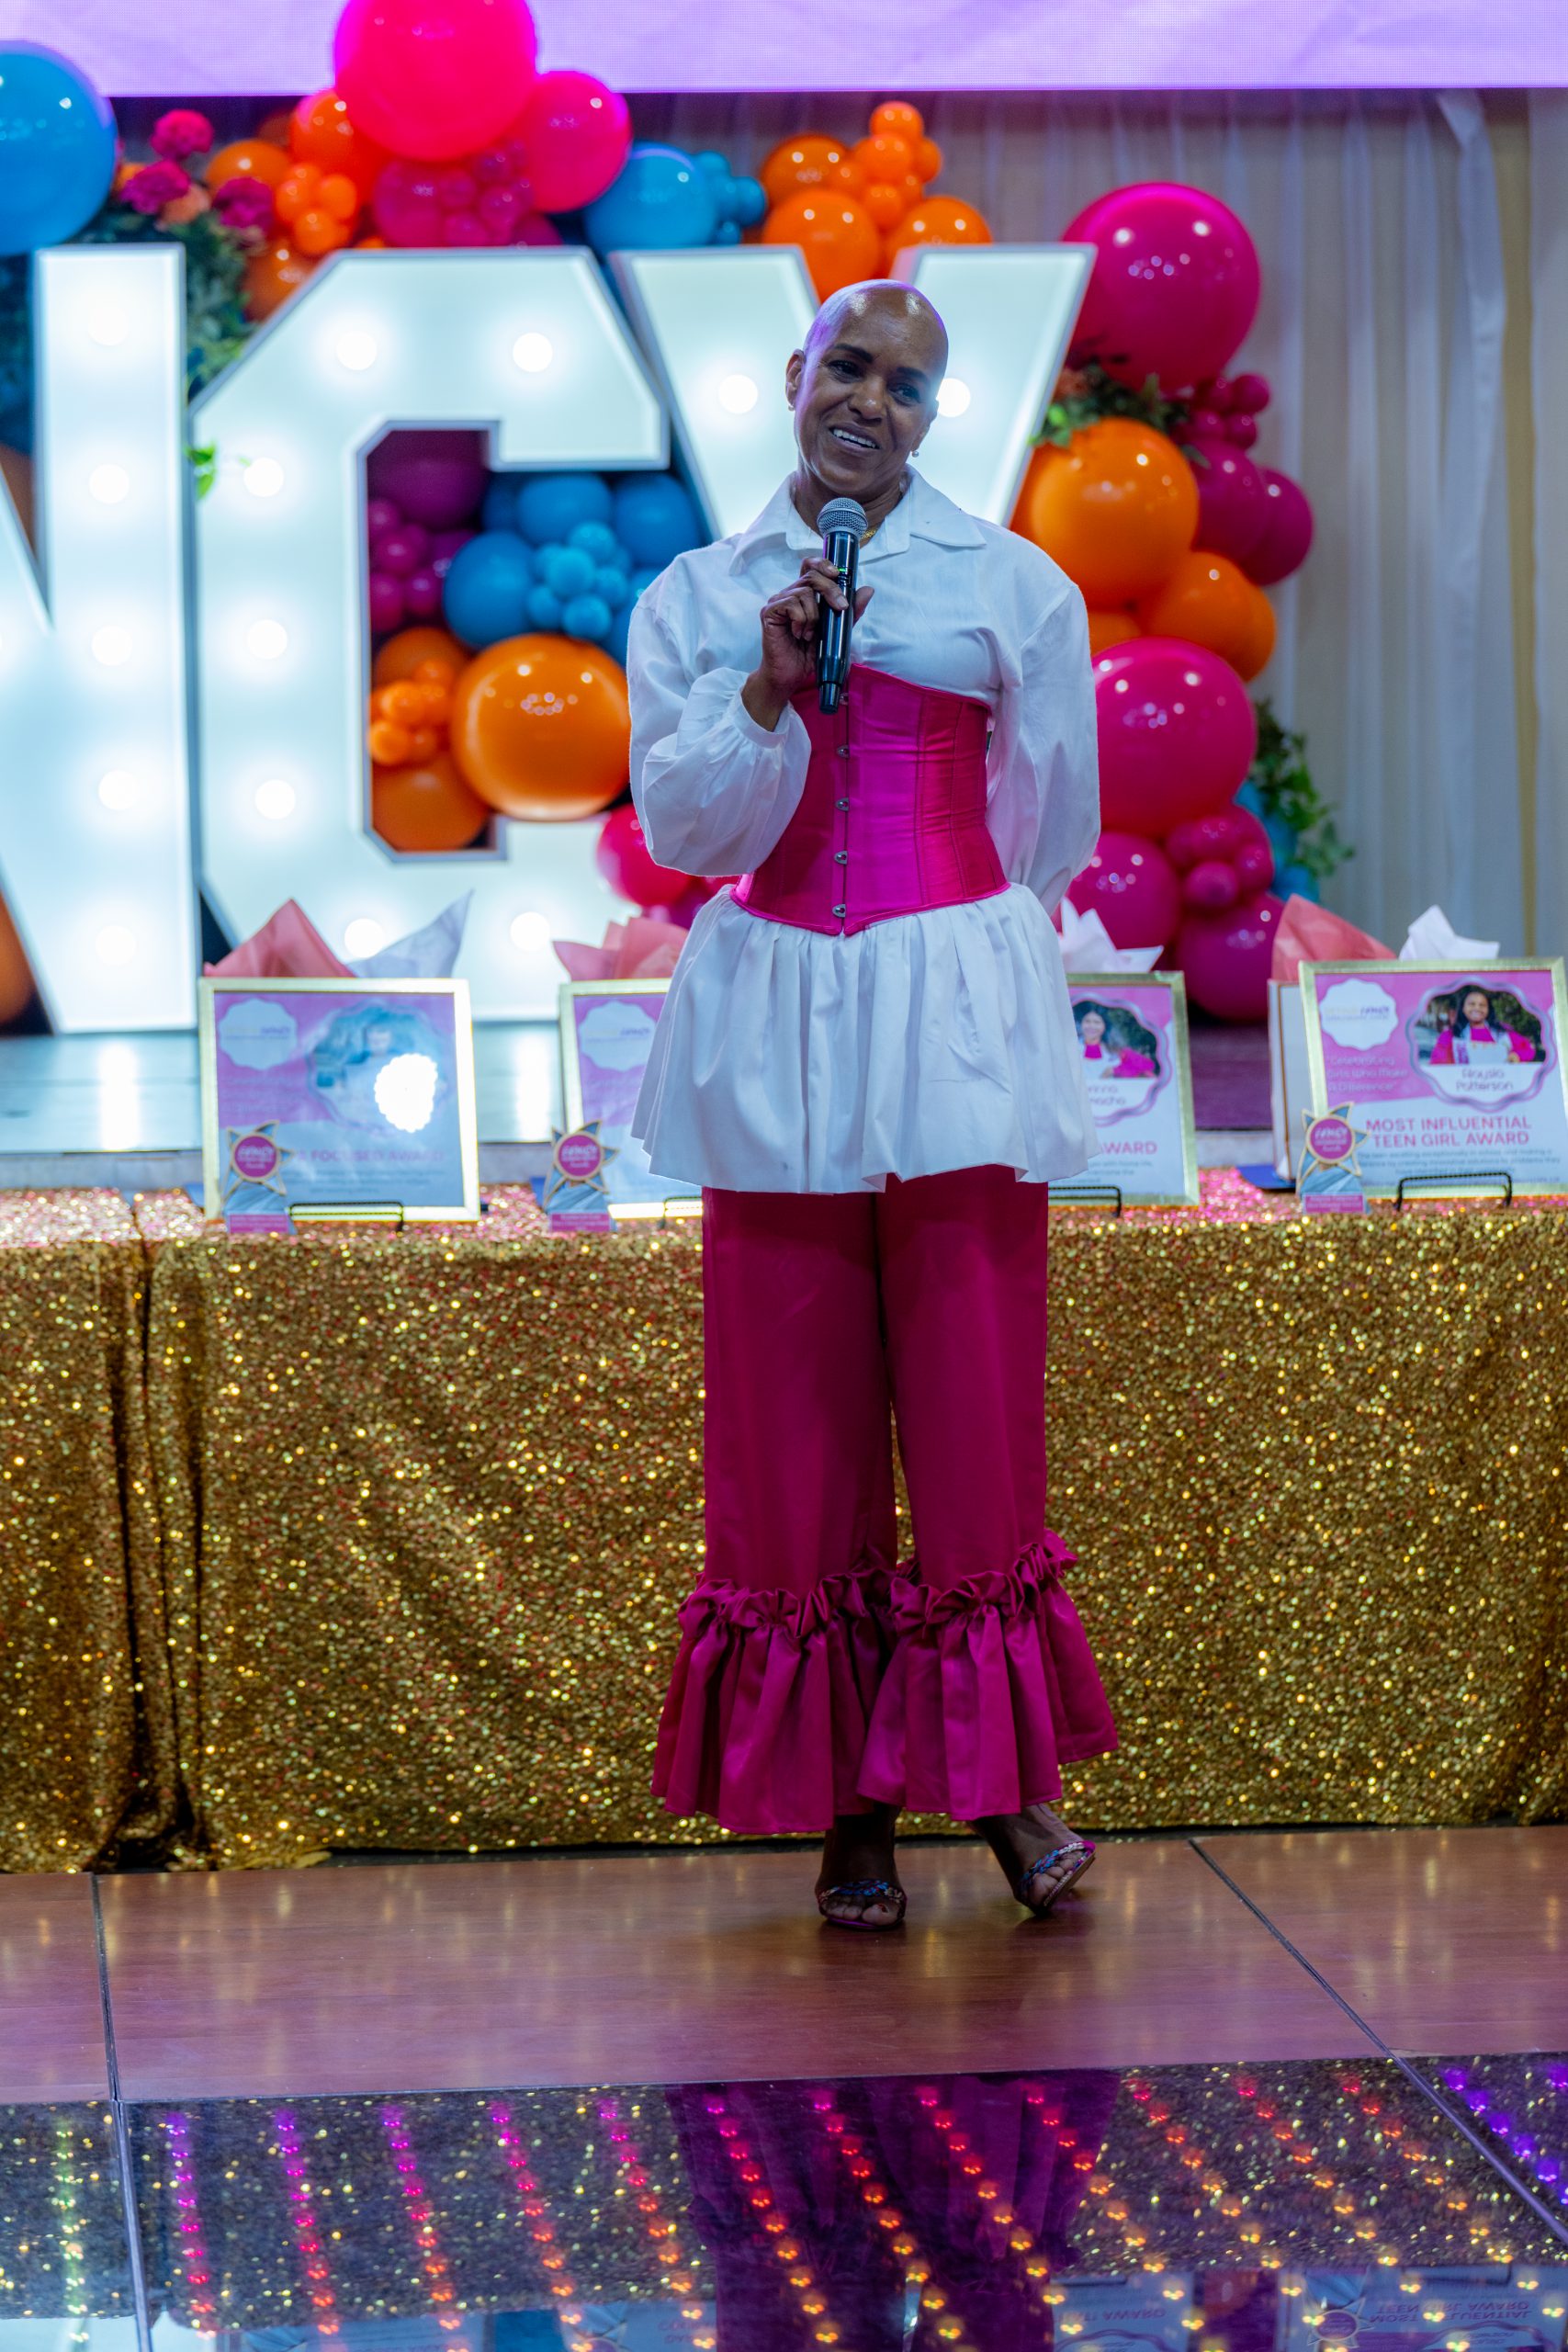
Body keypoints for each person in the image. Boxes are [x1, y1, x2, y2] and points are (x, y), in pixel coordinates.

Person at [626, 280, 1117, 1930]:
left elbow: (1046, 818)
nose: (868, 403)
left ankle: (1005, 1785)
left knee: (975, 1403)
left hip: (950, 1010)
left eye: (905, 386)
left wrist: (949, 947)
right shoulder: (699, 596)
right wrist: (768, 688)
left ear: (932, 414)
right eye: (847, 366)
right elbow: (689, 835)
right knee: (792, 1423)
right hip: (773, 1014)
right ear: (793, 374)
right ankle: (851, 1809)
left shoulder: (1012, 584)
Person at [1428, 984, 1538, 1066]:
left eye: (1482, 1005)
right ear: (1463, 1008)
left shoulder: (1502, 1032)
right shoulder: (1451, 1035)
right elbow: (1437, 1062)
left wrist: (1516, 1056)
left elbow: (1529, 1050)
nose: (1477, 1008)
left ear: (1488, 1009)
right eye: (1472, 1004)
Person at [1076, 1004, 1156, 1080]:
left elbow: (1148, 1065)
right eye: (1087, 1021)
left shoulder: (1116, 1050)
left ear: (1104, 1026)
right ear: (1081, 1024)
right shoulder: (1073, 1048)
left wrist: (1115, 1070)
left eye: (1097, 1022)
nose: (1091, 1026)